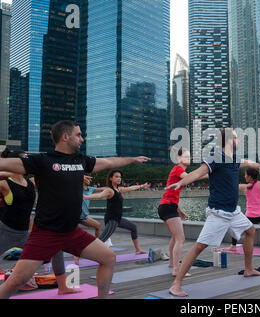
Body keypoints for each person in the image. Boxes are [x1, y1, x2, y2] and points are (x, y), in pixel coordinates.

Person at [0, 120, 150, 299]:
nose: (82, 139)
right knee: (16, 280)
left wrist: (132, 159)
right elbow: (5, 164)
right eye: (78, 135)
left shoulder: (82, 161)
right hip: (45, 234)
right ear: (65, 136)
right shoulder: (41, 161)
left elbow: (110, 161)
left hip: (72, 232)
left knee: (108, 258)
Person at [166, 128, 260, 297]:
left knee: (250, 231)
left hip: (233, 211)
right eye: (236, 138)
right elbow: (198, 172)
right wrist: (181, 183)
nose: (239, 141)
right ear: (228, 140)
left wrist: (259, 165)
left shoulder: (234, 158)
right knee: (199, 247)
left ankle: (248, 269)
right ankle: (176, 284)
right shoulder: (215, 157)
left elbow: (246, 162)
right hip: (219, 213)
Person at [0, 149, 79, 295]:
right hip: (6, 232)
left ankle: (62, 287)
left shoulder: (30, 182)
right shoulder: (5, 183)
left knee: (56, 249)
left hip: (25, 233)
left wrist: (79, 179)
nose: (28, 161)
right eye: (25, 159)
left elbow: (54, 177)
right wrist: (6, 172)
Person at [158, 148, 208, 277]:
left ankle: (171, 263)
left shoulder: (177, 170)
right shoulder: (178, 169)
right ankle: (176, 269)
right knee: (181, 239)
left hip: (166, 206)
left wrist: (179, 210)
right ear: (179, 159)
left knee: (175, 237)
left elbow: (172, 194)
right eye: (186, 157)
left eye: (190, 157)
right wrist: (211, 173)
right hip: (168, 207)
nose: (189, 159)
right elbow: (192, 178)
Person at [84, 170, 150, 254]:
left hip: (118, 219)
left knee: (133, 227)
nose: (119, 178)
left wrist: (142, 186)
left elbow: (130, 188)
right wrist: (86, 197)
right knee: (100, 240)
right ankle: (80, 252)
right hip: (112, 220)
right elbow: (99, 195)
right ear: (111, 178)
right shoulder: (109, 190)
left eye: (120, 177)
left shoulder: (119, 189)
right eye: (116, 176)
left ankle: (138, 249)